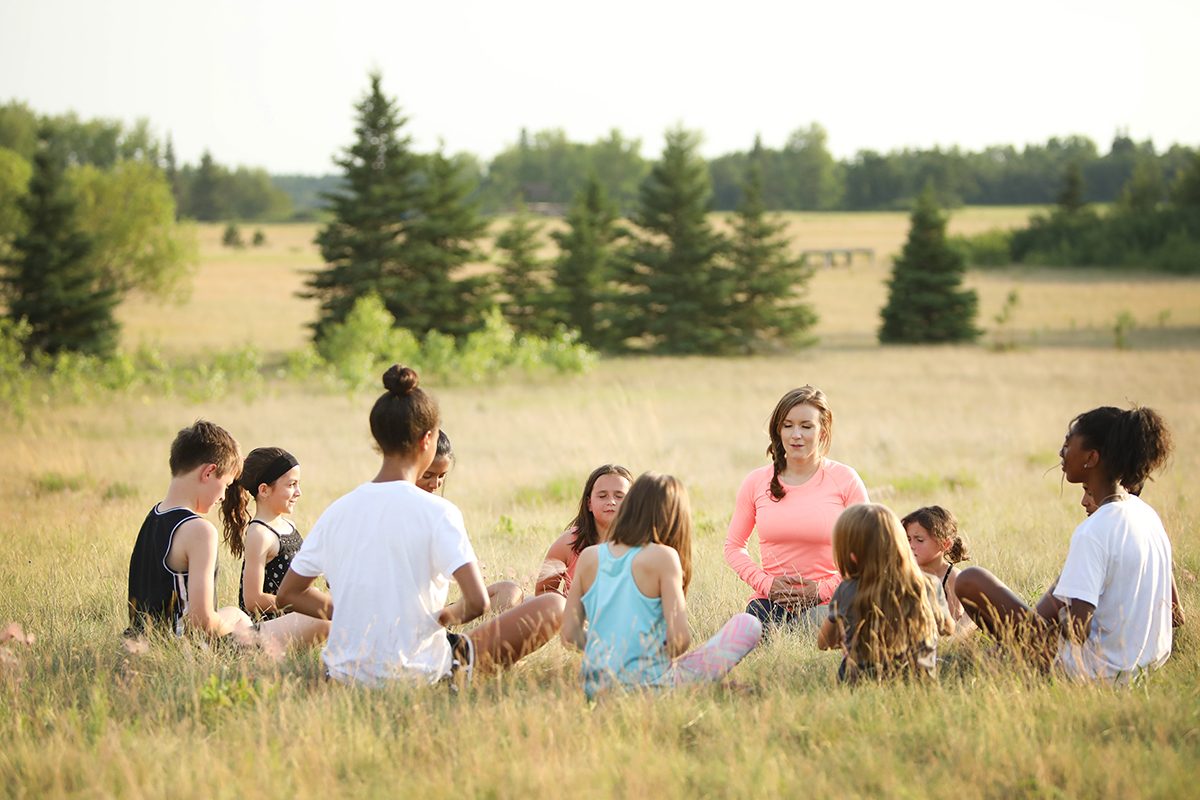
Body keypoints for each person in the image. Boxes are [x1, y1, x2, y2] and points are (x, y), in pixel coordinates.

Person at [276, 365, 564, 686]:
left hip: (345, 676)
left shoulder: (337, 511)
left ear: (379, 440)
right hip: (425, 674)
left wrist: (347, 613)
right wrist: (444, 618)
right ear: (428, 439)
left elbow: (288, 593)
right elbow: (478, 602)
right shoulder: (439, 512)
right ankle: (456, 675)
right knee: (553, 606)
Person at [956, 405, 1181, 682]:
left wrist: (1039, 627)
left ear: (1091, 457)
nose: (1061, 453)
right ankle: (1005, 652)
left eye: (1067, 443)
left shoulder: (1094, 530)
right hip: (1147, 666)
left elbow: (1076, 631)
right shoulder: (1146, 514)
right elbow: (1175, 615)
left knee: (970, 580)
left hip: (1097, 673)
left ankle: (1007, 655)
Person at [561, 472, 762, 699]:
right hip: (651, 686)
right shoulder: (663, 557)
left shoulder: (589, 556)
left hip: (595, 687)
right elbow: (679, 640)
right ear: (674, 518)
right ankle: (697, 685)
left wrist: (609, 653)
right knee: (748, 624)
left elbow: (569, 635)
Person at [725, 386, 869, 630]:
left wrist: (823, 590)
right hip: (770, 603)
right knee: (747, 631)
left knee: (811, 628)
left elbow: (867, 551)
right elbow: (734, 547)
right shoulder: (756, 481)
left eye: (806, 426)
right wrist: (766, 584)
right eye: (788, 425)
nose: (796, 435)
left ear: (823, 431)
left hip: (830, 602)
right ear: (778, 430)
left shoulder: (845, 479)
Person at [817, 504, 954, 683]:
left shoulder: (847, 589)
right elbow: (947, 628)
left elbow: (824, 643)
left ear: (850, 553)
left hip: (858, 685)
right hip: (918, 684)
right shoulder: (928, 584)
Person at [217, 446, 329, 644]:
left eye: (298, 484)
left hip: (289, 619)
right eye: (291, 485)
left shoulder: (287, 525)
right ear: (264, 490)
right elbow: (253, 599)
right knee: (324, 619)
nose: (298, 492)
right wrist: (302, 604)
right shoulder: (259, 534)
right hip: (267, 625)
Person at [419, 430, 523, 614]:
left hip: (434, 614)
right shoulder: (442, 513)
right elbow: (477, 600)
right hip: (419, 621)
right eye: (428, 476)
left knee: (510, 592)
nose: (435, 484)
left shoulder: (438, 511)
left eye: (441, 476)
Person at [535, 464, 633, 597]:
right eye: (602, 496)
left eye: (619, 496)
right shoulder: (569, 542)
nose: (611, 501)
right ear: (589, 504)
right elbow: (544, 591)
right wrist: (567, 607)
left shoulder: (643, 543)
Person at [903, 505, 970, 625]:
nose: (911, 545)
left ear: (945, 544)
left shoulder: (952, 577)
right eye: (908, 539)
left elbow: (954, 622)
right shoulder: (906, 572)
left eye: (919, 540)